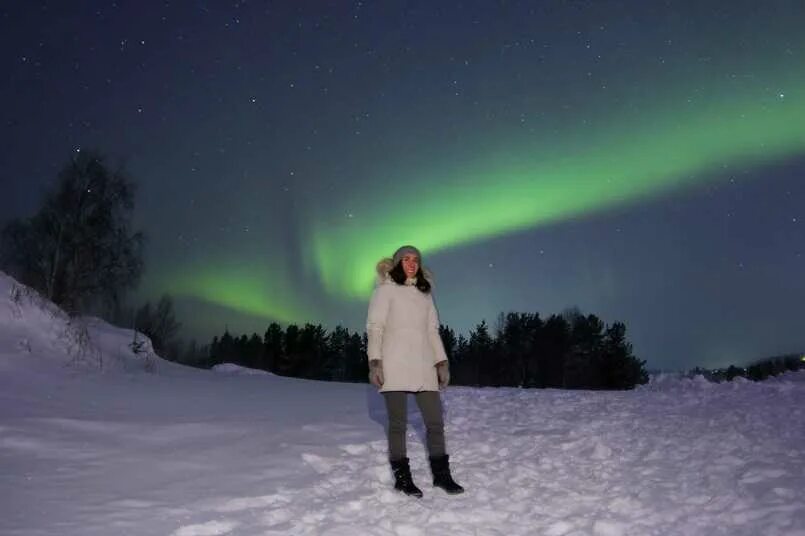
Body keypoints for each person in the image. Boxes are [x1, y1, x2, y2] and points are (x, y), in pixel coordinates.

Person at [366, 245, 465, 497]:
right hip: (394, 362)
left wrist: (441, 363)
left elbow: (433, 331)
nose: (411, 264)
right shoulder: (385, 290)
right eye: (406, 259)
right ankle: (402, 478)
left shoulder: (425, 293)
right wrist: (375, 361)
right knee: (398, 424)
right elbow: (375, 327)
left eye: (416, 260)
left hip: (423, 364)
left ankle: (442, 476)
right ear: (397, 263)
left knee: (435, 422)